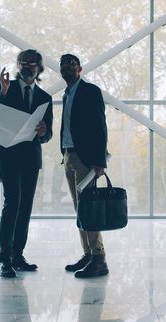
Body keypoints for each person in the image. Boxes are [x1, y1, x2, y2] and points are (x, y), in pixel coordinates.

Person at [0, 49, 54, 278]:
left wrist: (44, 131)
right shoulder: (4, 88)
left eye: (32, 63)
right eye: (23, 62)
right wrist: (3, 93)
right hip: (8, 155)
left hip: (30, 158)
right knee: (13, 202)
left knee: (25, 206)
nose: (27, 66)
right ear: (18, 65)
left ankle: (18, 255)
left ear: (39, 68)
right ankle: (3, 258)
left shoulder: (45, 98)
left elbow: (48, 136)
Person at [59, 53, 109, 278]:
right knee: (80, 209)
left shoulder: (90, 91)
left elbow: (100, 126)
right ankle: (88, 254)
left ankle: (99, 258)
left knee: (88, 209)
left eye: (72, 63)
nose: (67, 66)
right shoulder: (67, 94)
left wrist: (99, 161)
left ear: (80, 69)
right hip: (69, 156)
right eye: (64, 64)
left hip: (86, 158)